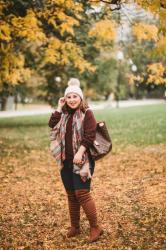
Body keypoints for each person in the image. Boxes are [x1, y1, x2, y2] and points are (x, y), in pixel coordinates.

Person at [48, 78, 103, 243]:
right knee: (71, 195)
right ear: (65, 99)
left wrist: (80, 152)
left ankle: (95, 227)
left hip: (83, 159)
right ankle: (75, 227)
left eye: (75, 96)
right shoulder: (63, 113)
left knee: (82, 193)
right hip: (65, 160)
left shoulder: (87, 113)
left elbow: (90, 135)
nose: (72, 100)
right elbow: (52, 124)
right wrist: (58, 107)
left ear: (81, 98)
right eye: (69, 97)